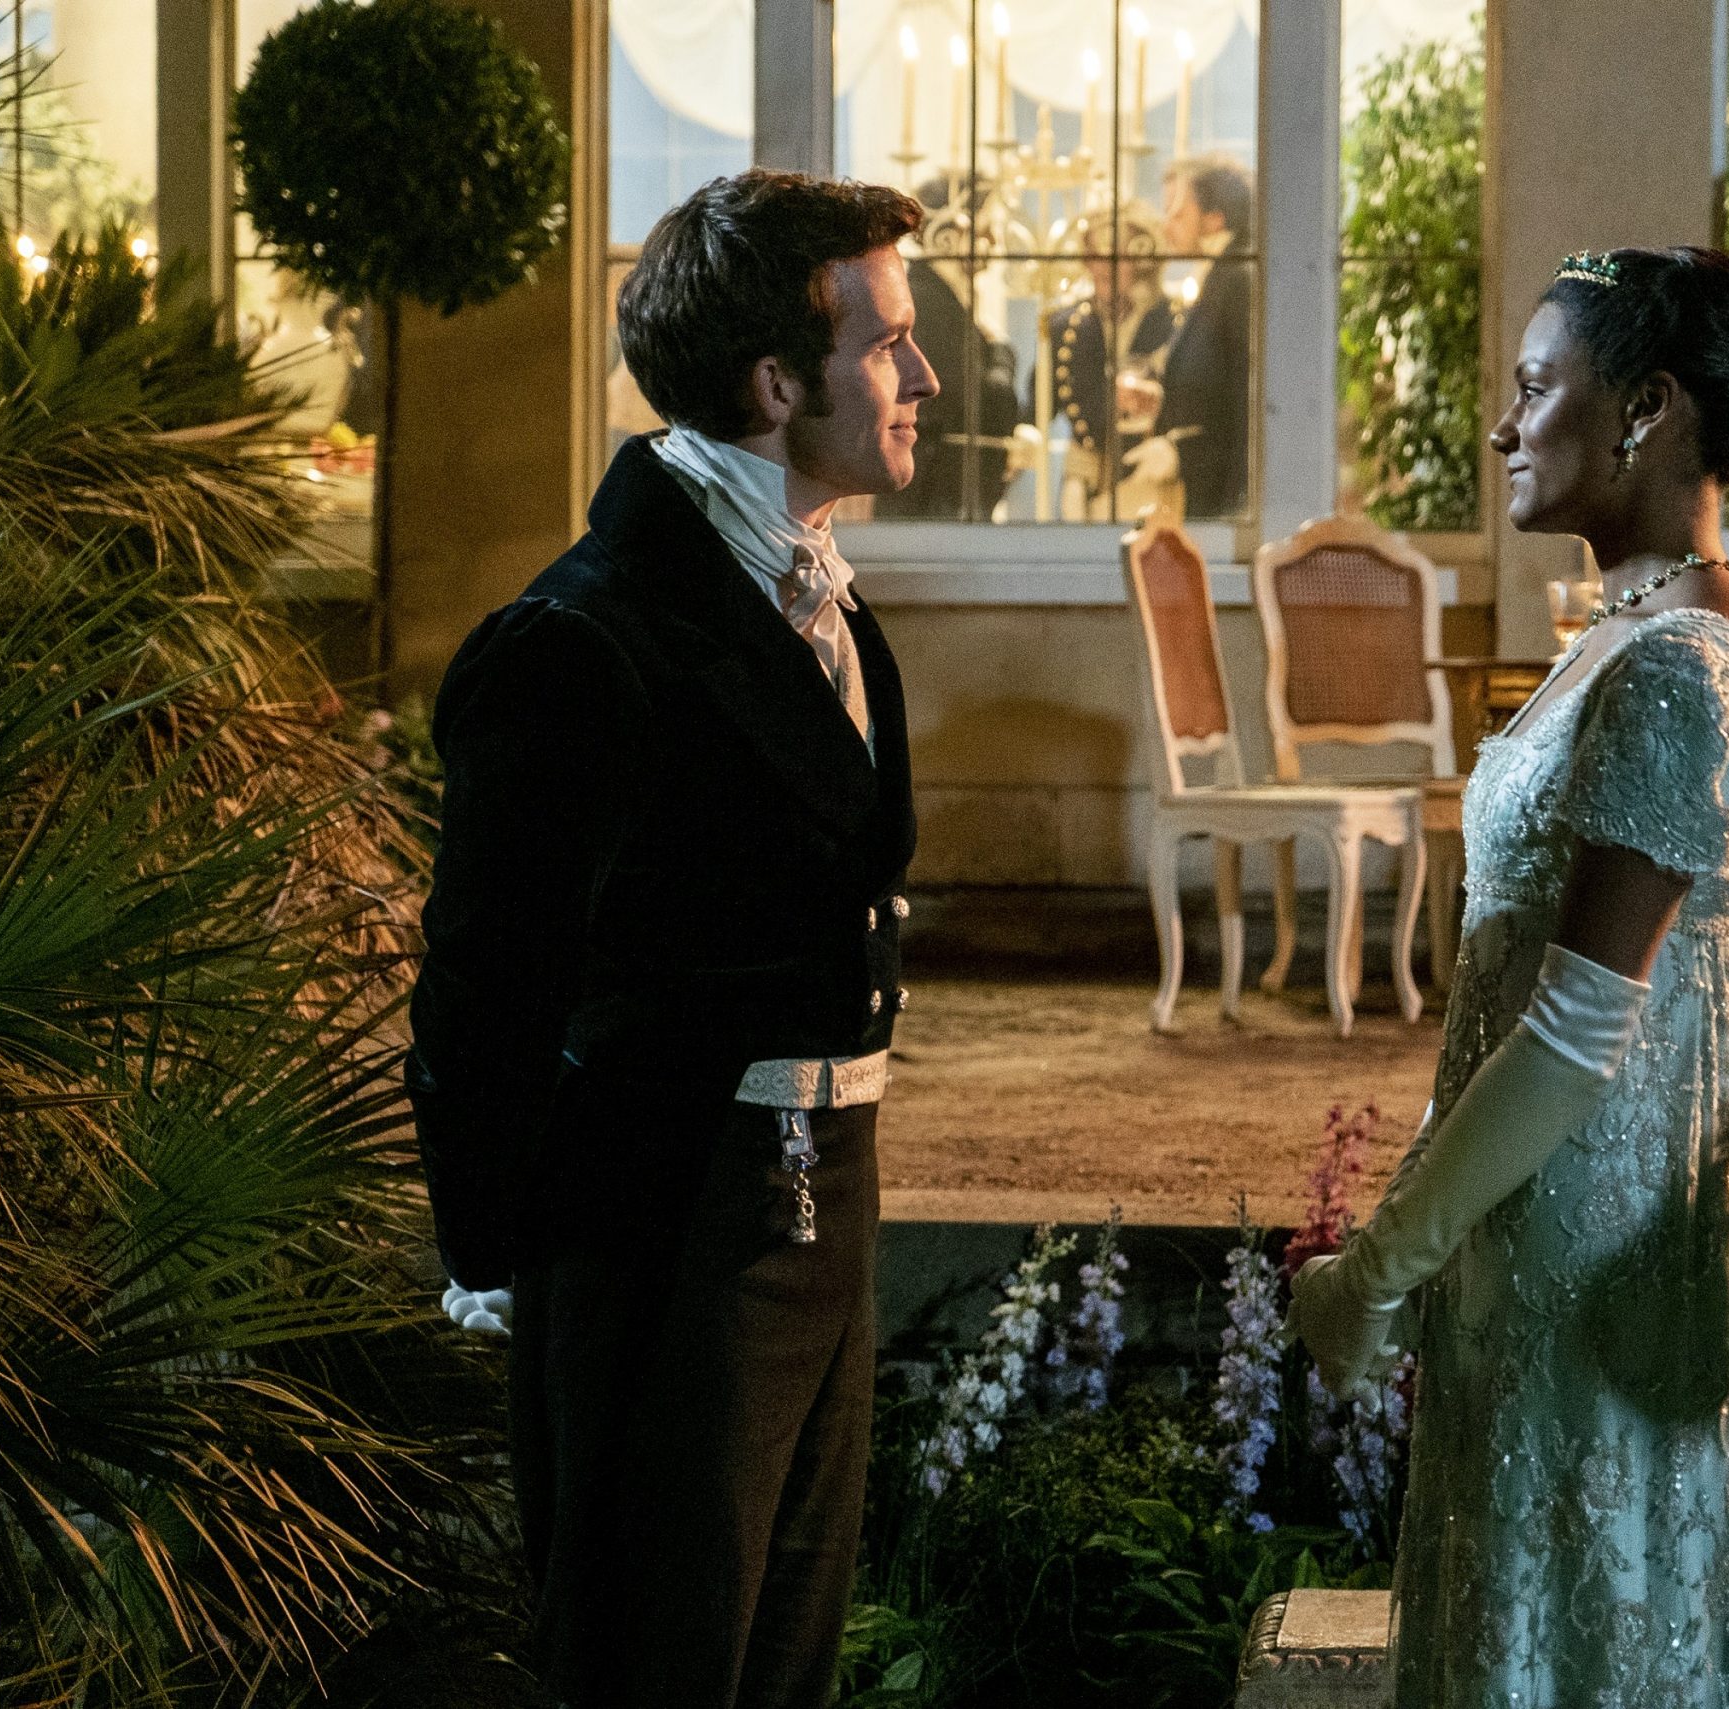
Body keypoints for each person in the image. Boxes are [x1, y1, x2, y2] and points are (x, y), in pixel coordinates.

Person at [406, 169, 935, 1709]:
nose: (923, 377)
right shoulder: (584, 639)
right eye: (887, 344)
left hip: (830, 1184)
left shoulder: (822, 600)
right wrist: (502, 1246)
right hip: (668, 1215)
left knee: (784, 1670)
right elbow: (486, 982)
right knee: (656, 1668)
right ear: (775, 384)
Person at [1288, 246, 1729, 1709]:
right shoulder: (1640, 633)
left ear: (1645, 408)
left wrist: (1377, 1272)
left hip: (1602, 1231)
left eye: (1536, 388)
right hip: (1549, 1205)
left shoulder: (1679, 666)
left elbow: (1580, 1023)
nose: (1503, 425)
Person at [873, 179, 1023, 519]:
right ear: (949, 234)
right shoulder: (928, 303)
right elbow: (989, 400)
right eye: (985, 229)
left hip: (940, 494)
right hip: (933, 498)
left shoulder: (939, 299)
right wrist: (1001, 349)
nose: (994, 241)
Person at [1125, 157, 1256, 517]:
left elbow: (1242, 404)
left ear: (1214, 218)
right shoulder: (1219, 276)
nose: (1165, 226)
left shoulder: (1238, 280)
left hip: (1223, 502)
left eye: (1178, 213)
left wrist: (1180, 453)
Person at [1040, 203, 1175, 518]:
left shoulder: (1174, 321)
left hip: (1149, 476)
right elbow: (1040, 404)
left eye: (1116, 256)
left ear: (1142, 261)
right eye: (1094, 256)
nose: (1103, 267)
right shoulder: (1066, 325)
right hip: (1083, 479)